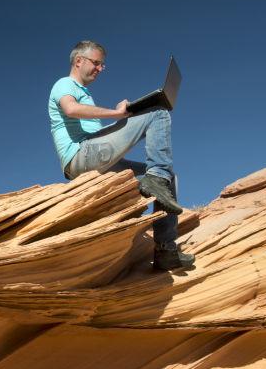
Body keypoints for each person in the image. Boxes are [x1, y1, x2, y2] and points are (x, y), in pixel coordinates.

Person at [47, 40, 194, 270]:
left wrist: (134, 119)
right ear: (78, 61)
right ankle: (154, 178)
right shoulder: (64, 84)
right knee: (158, 113)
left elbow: (104, 133)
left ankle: (166, 250)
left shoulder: (85, 93)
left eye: (102, 65)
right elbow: (71, 110)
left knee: (169, 178)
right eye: (96, 63)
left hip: (96, 156)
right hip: (80, 156)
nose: (100, 68)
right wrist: (117, 114)